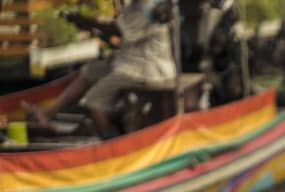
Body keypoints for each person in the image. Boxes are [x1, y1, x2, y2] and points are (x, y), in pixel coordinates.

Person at [25, 0, 177, 138]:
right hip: (131, 60)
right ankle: (47, 113)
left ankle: (111, 144)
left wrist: (85, 20)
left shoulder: (146, 6)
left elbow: (116, 30)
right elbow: (120, 35)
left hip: (145, 68)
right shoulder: (138, 6)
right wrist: (87, 25)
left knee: (93, 101)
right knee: (89, 71)